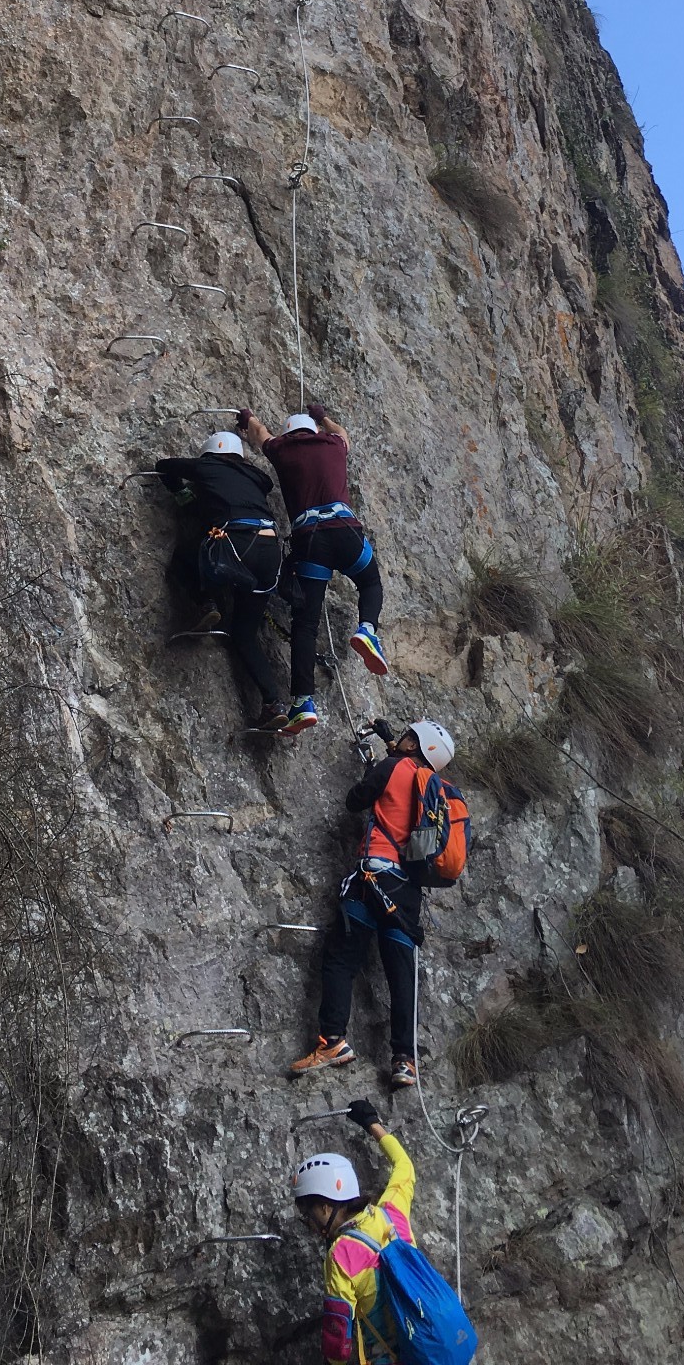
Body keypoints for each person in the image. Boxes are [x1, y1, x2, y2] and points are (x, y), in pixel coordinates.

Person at [289, 720, 455, 1087]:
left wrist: (376, 768)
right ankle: (404, 1060)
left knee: (341, 959)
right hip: (406, 891)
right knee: (401, 976)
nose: (403, 739)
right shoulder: (436, 789)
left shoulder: (394, 767)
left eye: (409, 737)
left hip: (371, 878)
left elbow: (355, 800)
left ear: (416, 747)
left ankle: (333, 1042)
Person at [234, 403, 387, 736]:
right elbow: (342, 433)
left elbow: (261, 435)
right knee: (370, 582)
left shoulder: (282, 449)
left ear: (289, 433)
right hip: (344, 530)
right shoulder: (333, 445)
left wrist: (247, 420)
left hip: (310, 540)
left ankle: (303, 703)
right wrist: (323, 417)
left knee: (306, 624)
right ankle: (368, 630)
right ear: (315, 431)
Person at [154, 430, 291, 732]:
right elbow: (265, 482)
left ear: (210, 453)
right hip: (269, 552)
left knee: (188, 557)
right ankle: (273, 702)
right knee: (244, 634)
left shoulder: (207, 467)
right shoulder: (256, 477)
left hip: (238, 541)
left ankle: (207, 602)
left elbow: (165, 464)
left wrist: (182, 493)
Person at [292, 1101, 417, 1365]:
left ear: (325, 1207)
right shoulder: (392, 1212)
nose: (309, 1224)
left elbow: (338, 1343)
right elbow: (404, 1166)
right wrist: (371, 1123)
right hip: (429, 1347)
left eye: (308, 1214)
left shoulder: (340, 1256)